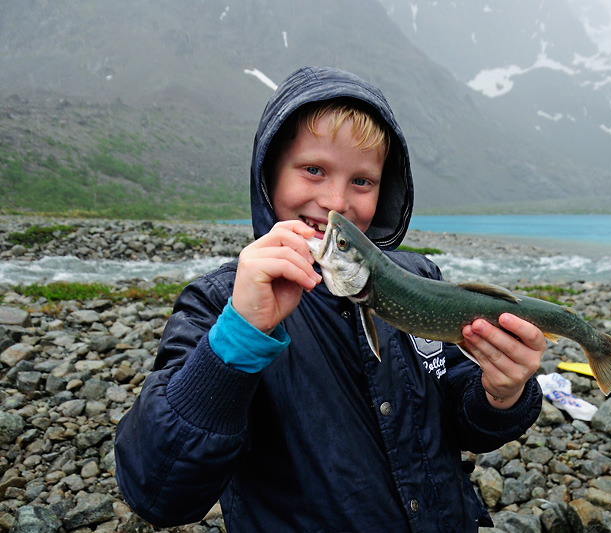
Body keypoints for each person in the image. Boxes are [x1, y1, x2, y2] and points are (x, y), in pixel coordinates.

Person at [114, 66, 545, 532]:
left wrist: (500, 394)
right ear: (270, 174)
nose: (336, 201)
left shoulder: (419, 276)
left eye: (362, 181)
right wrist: (240, 335)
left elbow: (461, 422)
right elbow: (158, 492)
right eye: (313, 170)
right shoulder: (220, 303)